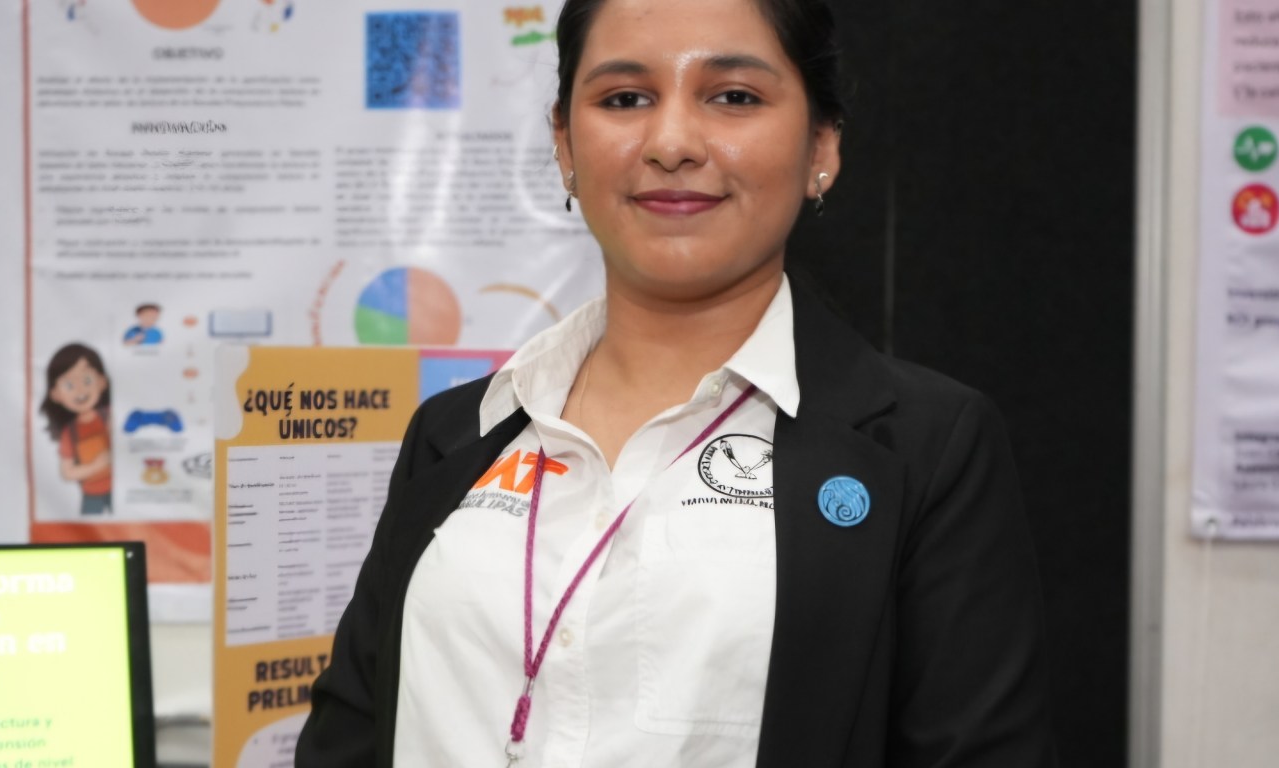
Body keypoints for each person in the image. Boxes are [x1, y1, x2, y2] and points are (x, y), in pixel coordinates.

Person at [297, 0, 1054, 765]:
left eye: (734, 96)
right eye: (626, 98)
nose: (671, 144)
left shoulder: (924, 448)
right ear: (564, 143)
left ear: (821, 145)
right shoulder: (459, 431)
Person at [39, 343, 113, 516]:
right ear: (55, 394)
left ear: (102, 382)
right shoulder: (69, 433)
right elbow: (67, 473)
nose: (80, 390)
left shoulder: (111, 416)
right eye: (69, 385)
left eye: (87, 380)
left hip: (121, 489)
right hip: (92, 497)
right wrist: (96, 465)